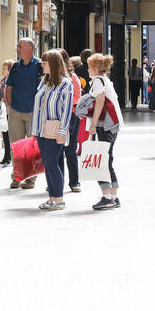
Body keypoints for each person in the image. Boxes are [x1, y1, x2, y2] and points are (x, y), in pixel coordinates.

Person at [32, 49, 74, 210]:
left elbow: (67, 110)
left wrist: (63, 132)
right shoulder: (44, 81)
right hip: (42, 130)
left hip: (55, 130)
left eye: (44, 63)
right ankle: (52, 198)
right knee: (48, 164)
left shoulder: (66, 84)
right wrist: (34, 130)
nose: (42, 65)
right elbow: (38, 107)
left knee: (51, 163)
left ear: (53, 64)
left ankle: (59, 199)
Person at [85, 52, 123, 210]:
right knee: (108, 159)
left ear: (94, 68)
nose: (87, 70)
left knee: (101, 161)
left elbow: (99, 102)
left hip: (104, 126)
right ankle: (113, 196)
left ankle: (107, 196)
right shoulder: (106, 80)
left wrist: (92, 125)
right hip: (113, 125)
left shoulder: (97, 81)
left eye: (88, 67)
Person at [4, 38, 43, 189]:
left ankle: (31, 179)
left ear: (30, 49)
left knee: (32, 148)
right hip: (16, 112)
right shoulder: (15, 66)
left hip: (34, 113)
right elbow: (9, 88)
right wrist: (11, 105)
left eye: (20, 46)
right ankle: (17, 177)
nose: (17, 49)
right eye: (17, 46)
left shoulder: (39, 65)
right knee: (16, 146)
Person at [59, 49, 83, 192]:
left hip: (71, 116)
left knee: (70, 151)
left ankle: (74, 182)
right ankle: (57, 181)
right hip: (56, 118)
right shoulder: (50, 77)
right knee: (57, 152)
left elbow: (76, 98)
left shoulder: (72, 77)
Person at [0, 60, 14, 165]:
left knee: (11, 135)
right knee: (5, 135)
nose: (2, 71)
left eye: (4, 69)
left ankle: (12, 156)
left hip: (12, 111)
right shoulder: (2, 81)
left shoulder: (12, 81)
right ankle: (7, 156)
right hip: (4, 112)